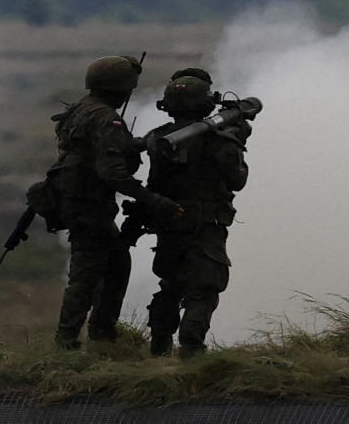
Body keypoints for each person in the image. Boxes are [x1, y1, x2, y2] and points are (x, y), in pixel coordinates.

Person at [50, 56, 181, 349]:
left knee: (114, 265)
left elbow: (90, 151)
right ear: (121, 87)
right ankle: (70, 341)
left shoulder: (81, 110)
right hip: (90, 208)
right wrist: (153, 199)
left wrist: (134, 144)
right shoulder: (106, 118)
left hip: (78, 203)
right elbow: (112, 173)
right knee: (86, 275)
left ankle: (100, 335)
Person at [144, 68, 250, 359]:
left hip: (170, 222)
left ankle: (159, 347)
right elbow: (237, 180)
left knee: (170, 285)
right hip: (206, 224)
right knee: (203, 288)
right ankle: (192, 350)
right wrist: (239, 139)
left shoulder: (157, 139)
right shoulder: (220, 142)